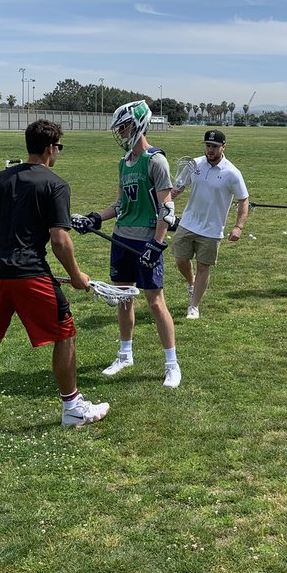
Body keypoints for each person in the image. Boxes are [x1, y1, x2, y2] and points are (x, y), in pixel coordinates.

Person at [0, 119, 109, 434]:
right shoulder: (55, 184)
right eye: (59, 148)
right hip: (31, 275)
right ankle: (72, 407)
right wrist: (77, 276)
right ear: (51, 148)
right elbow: (60, 239)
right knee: (65, 334)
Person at [72, 100, 181, 389]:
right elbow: (121, 204)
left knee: (156, 302)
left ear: (138, 125)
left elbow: (166, 209)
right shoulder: (124, 163)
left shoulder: (156, 160)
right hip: (122, 239)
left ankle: (172, 364)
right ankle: (125, 354)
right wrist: (95, 218)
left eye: (124, 127)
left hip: (145, 241)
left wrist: (156, 244)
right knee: (123, 298)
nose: (121, 133)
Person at [171, 129, 249, 320]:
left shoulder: (232, 173)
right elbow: (179, 188)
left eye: (214, 146)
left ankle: (194, 306)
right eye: (207, 145)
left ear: (223, 147)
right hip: (188, 223)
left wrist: (238, 226)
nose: (210, 150)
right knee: (180, 260)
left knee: (203, 266)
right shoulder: (195, 164)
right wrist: (167, 196)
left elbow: (243, 199)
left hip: (212, 229)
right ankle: (192, 283)